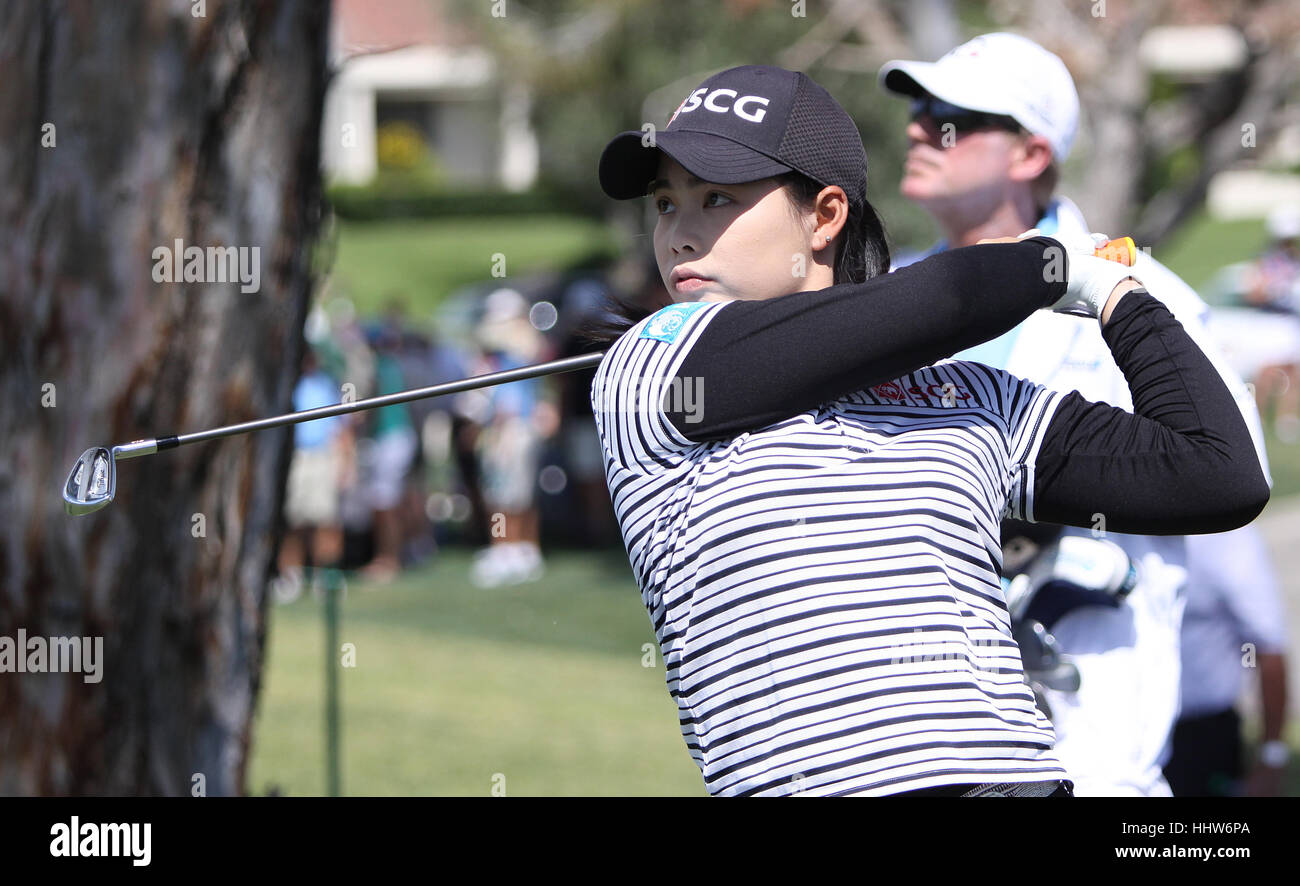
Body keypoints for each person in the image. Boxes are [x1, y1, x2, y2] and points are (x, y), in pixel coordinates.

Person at [586, 64, 1269, 797]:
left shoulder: (962, 394)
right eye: (665, 204)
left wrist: (1120, 296)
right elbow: (942, 298)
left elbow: (1218, 473)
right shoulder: (652, 367)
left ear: (824, 215)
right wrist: (1053, 265)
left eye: (716, 197)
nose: (680, 237)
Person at [878, 33, 1273, 796]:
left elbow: (1231, 469)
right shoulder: (888, 295)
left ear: (1030, 154)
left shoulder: (1142, 292)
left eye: (952, 115)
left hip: (1090, 746)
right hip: (921, 739)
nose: (919, 128)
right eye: (919, 109)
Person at [1164, 523, 1291, 796]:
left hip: (1202, 737)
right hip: (1120, 734)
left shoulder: (1224, 537)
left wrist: (1272, 755)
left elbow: (1268, 647)